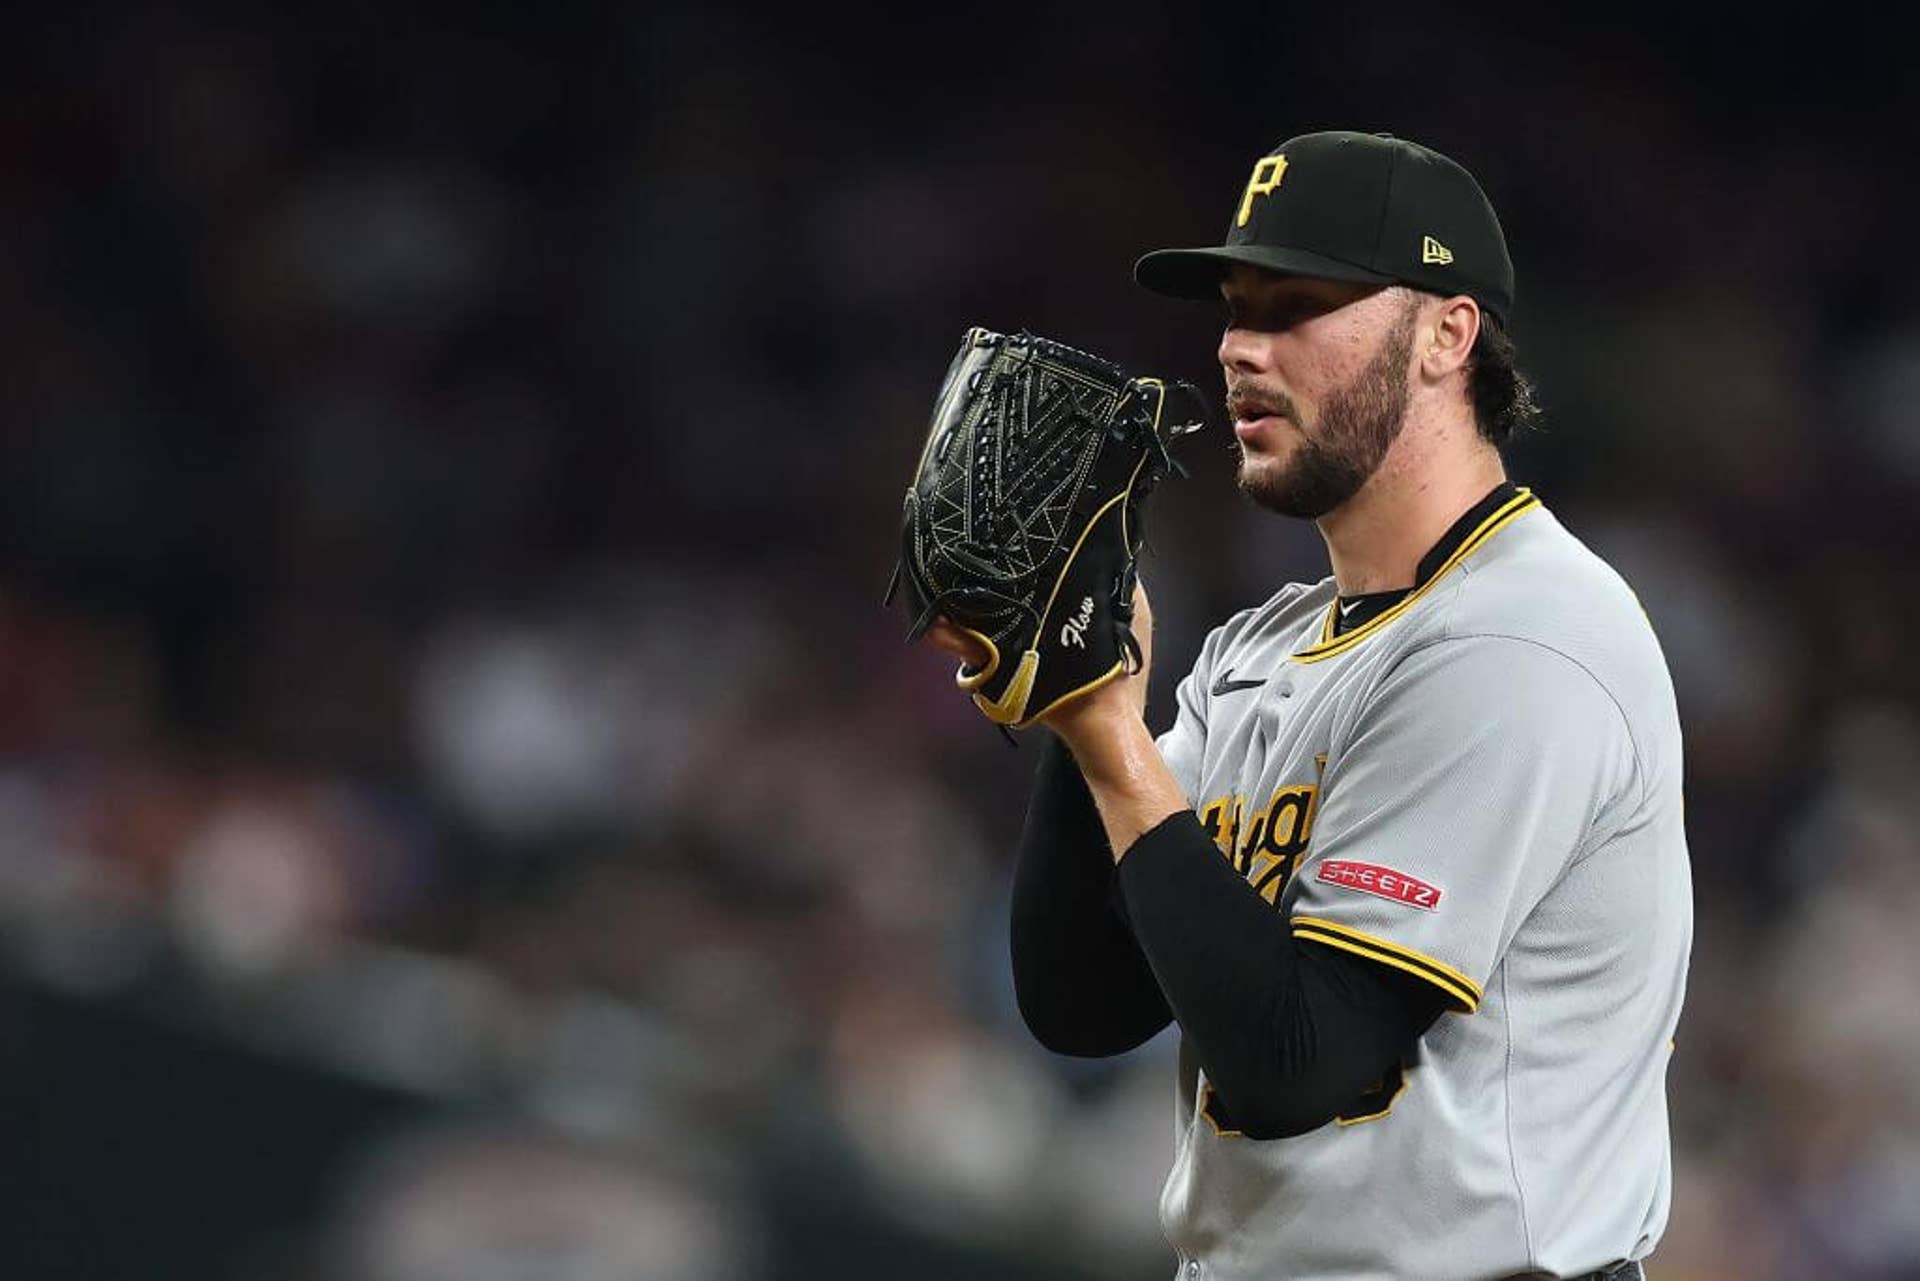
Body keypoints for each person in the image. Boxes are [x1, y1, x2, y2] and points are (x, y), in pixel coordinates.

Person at [928, 131, 1691, 1280]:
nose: (1239, 346)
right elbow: (1084, 1002)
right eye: (1235, 307)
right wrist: (1075, 709)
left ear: (1448, 332)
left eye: (1297, 304)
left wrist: (1110, 737)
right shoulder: (1264, 648)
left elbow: (1299, 1062)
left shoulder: (1526, 635)